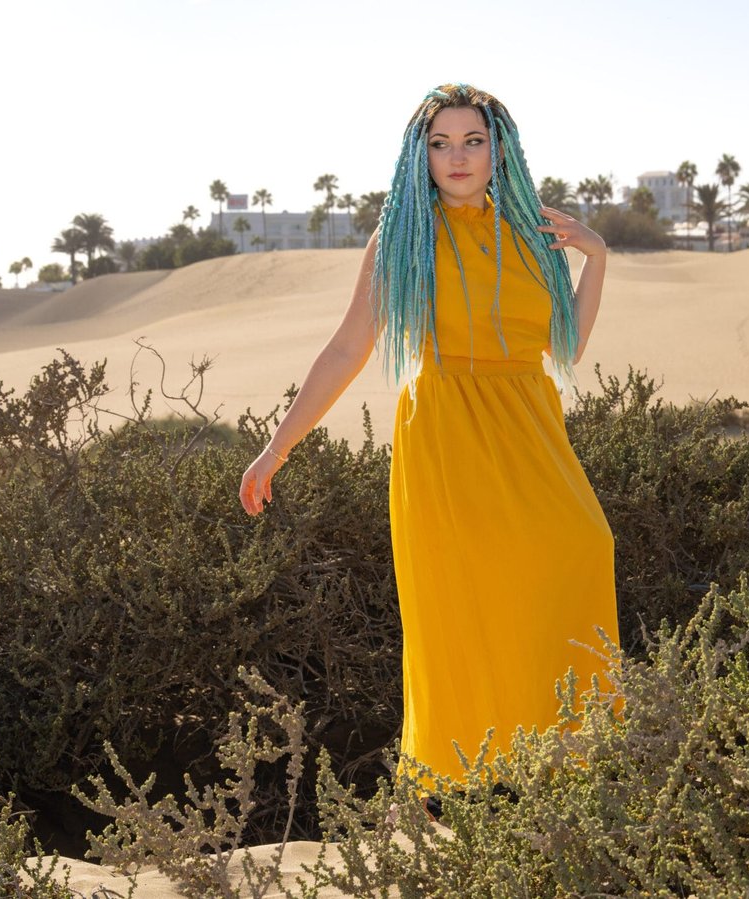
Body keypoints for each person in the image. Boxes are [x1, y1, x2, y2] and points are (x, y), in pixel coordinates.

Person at [237, 82, 619, 801]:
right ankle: (465, 789)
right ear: (421, 155)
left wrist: (597, 258)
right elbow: (349, 345)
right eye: (440, 143)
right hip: (446, 436)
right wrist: (277, 446)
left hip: (532, 430)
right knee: (465, 607)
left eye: (472, 140)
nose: (458, 157)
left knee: (581, 548)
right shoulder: (403, 237)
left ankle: (566, 768)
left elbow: (565, 345)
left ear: (498, 148)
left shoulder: (536, 234)